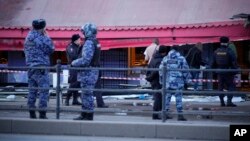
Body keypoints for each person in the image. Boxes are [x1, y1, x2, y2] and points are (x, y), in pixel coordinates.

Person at [24, 19, 54, 119]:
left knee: (32, 91)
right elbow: (51, 49)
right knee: (43, 91)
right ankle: (42, 113)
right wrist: (47, 36)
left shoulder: (28, 37)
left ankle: (31, 112)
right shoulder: (42, 38)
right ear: (43, 27)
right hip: (41, 67)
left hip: (31, 68)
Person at [71, 23, 99, 120]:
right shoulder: (95, 41)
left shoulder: (89, 43)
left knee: (86, 94)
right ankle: (85, 114)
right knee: (86, 94)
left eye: (83, 31)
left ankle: (87, 115)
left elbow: (86, 60)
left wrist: (73, 63)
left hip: (88, 72)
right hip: (93, 71)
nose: (82, 33)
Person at [159, 46, 191, 121]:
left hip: (168, 82)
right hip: (178, 82)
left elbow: (160, 70)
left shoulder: (166, 58)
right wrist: (187, 80)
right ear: (177, 50)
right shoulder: (181, 58)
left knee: (167, 98)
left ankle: (165, 114)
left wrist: (162, 81)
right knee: (178, 98)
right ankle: (180, 115)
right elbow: (185, 70)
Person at [210, 36, 238, 107]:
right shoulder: (229, 51)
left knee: (220, 87)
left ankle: (222, 102)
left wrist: (214, 71)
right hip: (228, 72)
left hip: (219, 72)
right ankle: (229, 102)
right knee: (231, 86)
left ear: (220, 42)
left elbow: (212, 63)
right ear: (227, 42)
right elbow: (234, 62)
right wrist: (235, 70)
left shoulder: (216, 51)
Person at [146, 45, 169, 120]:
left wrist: (149, 77)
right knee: (158, 98)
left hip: (153, 81)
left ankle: (158, 114)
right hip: (157, 80)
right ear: (164, 52)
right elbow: (157, 71)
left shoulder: (153, 58)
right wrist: (150, 77)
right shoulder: (160, 60)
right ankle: (155, 115)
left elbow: (148, 68)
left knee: (157, 97)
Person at [65, 34, 82, 106]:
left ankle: (75, 100)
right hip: (73, 67)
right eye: (79, 39)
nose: (80, 41)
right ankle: (67, 99)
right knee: (73, 83)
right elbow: (74, 56)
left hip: (78, 67)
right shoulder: (70, 47)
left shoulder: (78, 47)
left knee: (77, 84)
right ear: (75, 40)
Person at [93, 41, 108, 108]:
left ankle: (94, 103)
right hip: (96, 67)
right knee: (97, 87)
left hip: (91, 68)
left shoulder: (89, 43)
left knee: (90, 87)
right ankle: (100, 103)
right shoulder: (97, 43)